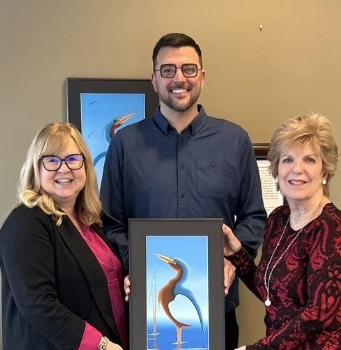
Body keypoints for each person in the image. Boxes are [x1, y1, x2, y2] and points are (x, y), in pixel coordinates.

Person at [100, 32, 267, 349]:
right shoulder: (125, 145)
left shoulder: (234, 141)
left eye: (189, 69)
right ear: (154, 79)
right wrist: (138, 264)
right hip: (148, 308)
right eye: (168, 70)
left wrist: (232, 261)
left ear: (202, 77)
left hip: (217, 305)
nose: (179, 78)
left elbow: (253, 217)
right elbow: (112, 222)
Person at [222, 113, 341, 349]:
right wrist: (237, 254)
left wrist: (258, 349)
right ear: (277, 170)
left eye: (309, 160)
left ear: (324, 172)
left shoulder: (332, 227)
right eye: (287, 160)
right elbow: (271, 293)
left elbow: (319, 312)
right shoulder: (278, 221)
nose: (297, 169)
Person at [0, 123, 126, 350]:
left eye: (73, 159)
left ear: (85, 166)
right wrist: (101, 345)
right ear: (36, 168)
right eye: (52, 160)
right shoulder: (27, 222)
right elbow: (37, 303)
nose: (64, 169)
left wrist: (127, 284)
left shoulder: (89, 223)